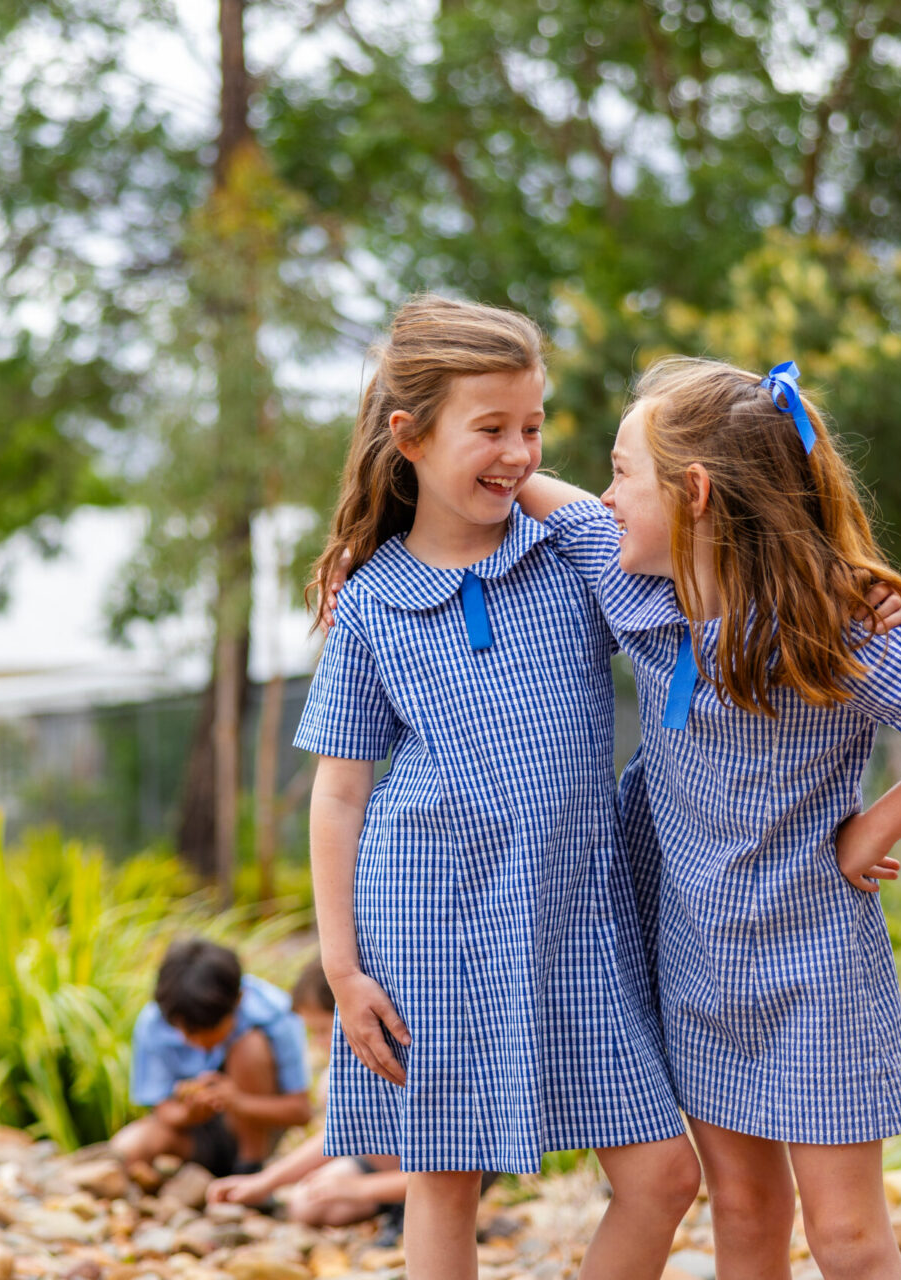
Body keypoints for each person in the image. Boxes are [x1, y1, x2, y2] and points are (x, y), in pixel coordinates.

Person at [515, 356, 901, 1280]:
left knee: (846, 1238)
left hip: (817, 972)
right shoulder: (643, 590)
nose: (606, 495)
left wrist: (876, 825)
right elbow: (547, 496)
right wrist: (425, 472)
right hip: (696, 964)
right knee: (746, 1212)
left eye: (623, 472)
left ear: (697, 492)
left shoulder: (831, 621)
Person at [294, 295, 700, 1280]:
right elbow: (339, 793)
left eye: (534, 426)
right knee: (446, 1175)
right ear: (410, 436)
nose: (519, 450)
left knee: (662, 1173)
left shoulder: (570, 555)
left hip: (577, 918)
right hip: (428, 921)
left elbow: (663, 570)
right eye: (491, 428)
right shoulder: (374, 601)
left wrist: (524, 484)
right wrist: (342, 970)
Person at [209, 961, 421, 1237]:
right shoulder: (343, 1078)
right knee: (308, 1203)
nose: (319, 1043)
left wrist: (358, 1189)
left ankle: (406, 1204)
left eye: (323, 1031)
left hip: (434, 1172)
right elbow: (338, 1134)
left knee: (341, 1190)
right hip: (387, 1165)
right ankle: (394, 1203)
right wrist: (263, 1182)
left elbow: (444, 1164)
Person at [113, 938, 313, 1177]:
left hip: (258, 1129)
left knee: (250, 1047)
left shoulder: (274, 1011)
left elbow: (301, 1111)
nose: (195, 1042)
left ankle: (251, 1167)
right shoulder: (155, 1021)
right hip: (197, 1135)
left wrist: (238, 1102)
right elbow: (164, 1110)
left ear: (238, 1001)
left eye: (206, 1033)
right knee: (127, 1147)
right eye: (187, 1033)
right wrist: (190, 1113)